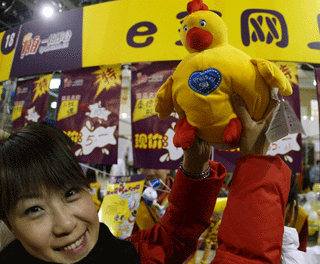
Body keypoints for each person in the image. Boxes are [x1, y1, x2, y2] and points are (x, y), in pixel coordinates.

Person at [0, 93, 291, 264]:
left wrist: (196, 164)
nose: (66, 224)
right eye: (34, 209)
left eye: (71, 193)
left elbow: (171, 239)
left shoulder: (115, 254)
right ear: (7, 223)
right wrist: (257, 166)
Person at [132, 168, 173, 234]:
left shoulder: (181, 194)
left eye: (157, 166)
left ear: (168, 169)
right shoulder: (132, 198)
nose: (151, 173)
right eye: (146, 166)